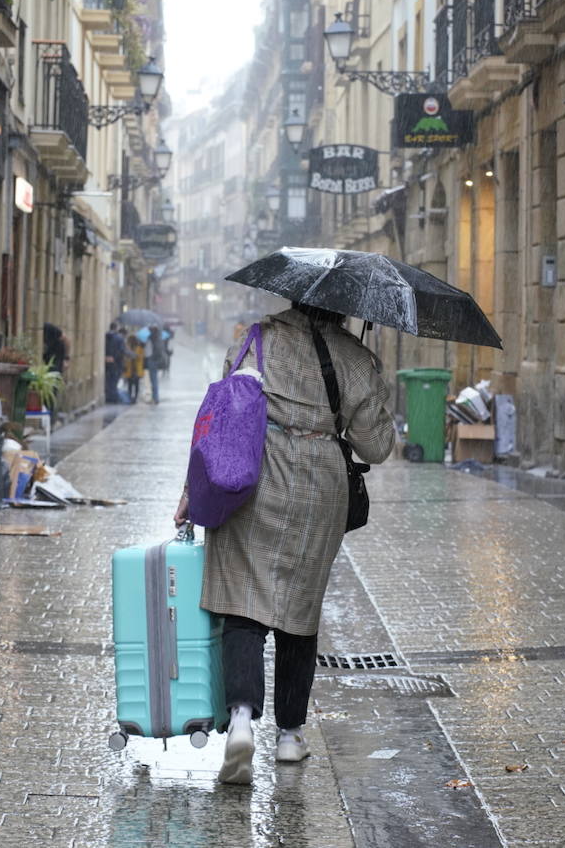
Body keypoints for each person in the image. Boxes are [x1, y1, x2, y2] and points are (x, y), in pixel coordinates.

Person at [174, 303, 395, 785]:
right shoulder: (353, 357)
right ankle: (291, 735)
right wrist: (372, 383)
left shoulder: (255, 338)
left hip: (253, 474)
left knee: (243, 603)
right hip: (320, 488)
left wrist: (192, 489)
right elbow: (376, 446)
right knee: (300, 604)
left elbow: (219, 419)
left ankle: (239, 721)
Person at [104, 322, 127, 404]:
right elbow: (121, 351)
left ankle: (108, 397)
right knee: (114, 380)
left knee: (108, 380)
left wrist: (107, 357)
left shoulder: (105, 336)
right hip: (116, 363)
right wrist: (114, 358)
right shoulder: (119, 338)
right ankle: (113, 398)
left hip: (106, 362)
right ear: (116, 328)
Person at [146, 324, 168, 404]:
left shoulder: (151, 338)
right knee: (154, 380)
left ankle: (155, 398)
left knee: (153, 381)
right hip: (156, 360)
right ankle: (155, 397)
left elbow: (148, 351)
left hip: (152, 360)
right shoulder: (159, 337)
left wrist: (150, 358)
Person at [124, 332, 145, 403]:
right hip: (132, 369)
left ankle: (133, 398)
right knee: (133, 384)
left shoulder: (138, 348)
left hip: (135, 369)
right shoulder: (130, 348)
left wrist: (134, 356)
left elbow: (140, 357)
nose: (130, 342)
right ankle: (132, 397)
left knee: (133, 384)